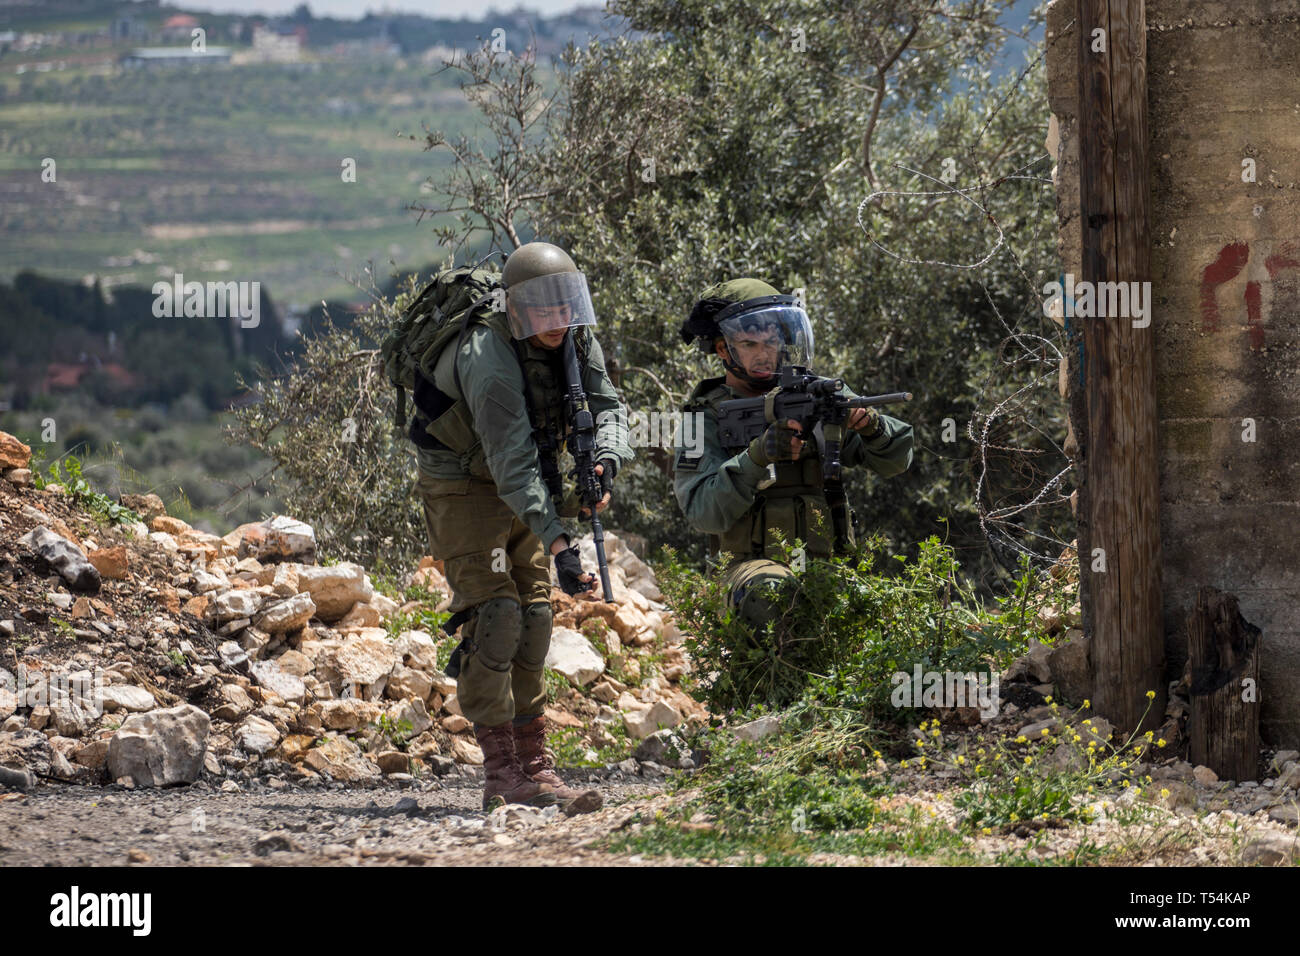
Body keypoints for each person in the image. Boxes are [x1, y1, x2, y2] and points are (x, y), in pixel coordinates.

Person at [413, 241, 632, 811]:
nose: (555, 320)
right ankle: (501, 774)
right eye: (541, 308)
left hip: (523, 481)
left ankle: (536, 766)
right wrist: (560, 540)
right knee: (497, 614)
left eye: (563, 305)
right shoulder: (488, 352)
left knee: (535, 616)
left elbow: (609, 406)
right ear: (515, 308)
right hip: (463, 484)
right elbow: (510, 459)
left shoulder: (574, 336)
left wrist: (605, 458)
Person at [672, 278, 914, 636]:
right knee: (771, 597)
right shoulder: (699, 419)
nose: (763, 353)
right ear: (723, 350)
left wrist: (871, 426)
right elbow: (701, 510)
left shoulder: (815, 395)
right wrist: (757, 457)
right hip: (746, 572)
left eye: (771, 341)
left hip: (824, 566)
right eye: (749, 343)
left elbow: (897, 460)